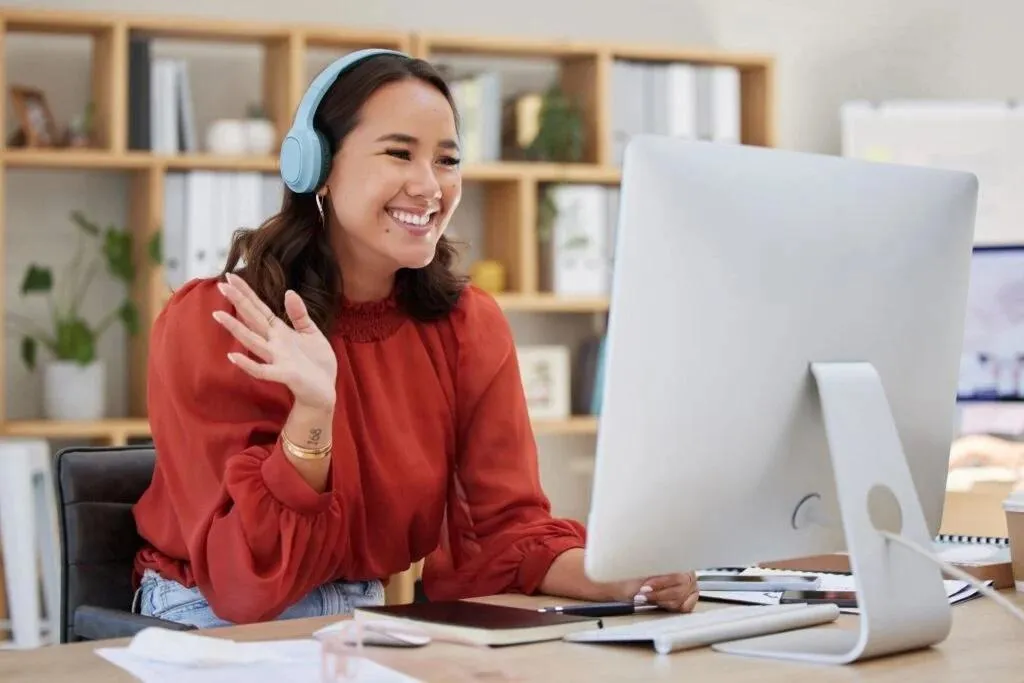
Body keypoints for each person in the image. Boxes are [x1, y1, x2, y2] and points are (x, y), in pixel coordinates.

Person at [131, 49, 699, 628]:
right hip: (204, 614)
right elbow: (244, 583)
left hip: (365, 615)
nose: (429, 186)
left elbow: (504, 531)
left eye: (447, 160)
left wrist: (619, 576)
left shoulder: (466, 327)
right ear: (317, 166)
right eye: (399, 153)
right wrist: (313, 413)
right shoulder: (217, 322)